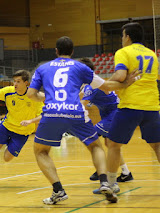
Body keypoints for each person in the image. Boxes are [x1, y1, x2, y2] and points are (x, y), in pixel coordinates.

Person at [27, 36, 139, 204]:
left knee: (41, 151)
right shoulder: (80, 67)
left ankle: (58, 190)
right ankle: (104, 182)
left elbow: (31, 95)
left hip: (52, 112)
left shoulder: (42, 68)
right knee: (95, 146)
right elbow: (107, 87)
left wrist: (48, 98)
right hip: (75, 112)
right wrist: (126, 84)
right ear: (72, 52)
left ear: (56, 51)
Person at [104, 22, 160, 195]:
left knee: (113, 145)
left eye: (122, 36)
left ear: (127, 37)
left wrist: (106, 84)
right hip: (152, 106)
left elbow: (120, 76)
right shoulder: (152, 54)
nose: (122, 39)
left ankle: (111, 185)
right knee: (157, 145)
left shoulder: (124, 52)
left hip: (131, 106)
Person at [0, 70, 43, 188]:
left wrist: (30, 121)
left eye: (18, 81)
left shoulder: (33, 97)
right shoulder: (8, 91)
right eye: (14, 81)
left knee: (7, 158)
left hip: (23, 132)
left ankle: (10, 145)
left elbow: (42, 115)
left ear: (26, 83)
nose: (15, 84)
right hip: (7, 126)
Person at [78, 58, 133, 185]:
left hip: (114, 114)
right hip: (109, 113)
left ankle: (101, 170)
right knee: (110, 144)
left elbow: (83, 104)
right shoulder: (93, 82)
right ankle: (126, 173)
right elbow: (81, 95)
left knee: (92, 137)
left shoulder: (92, 86)